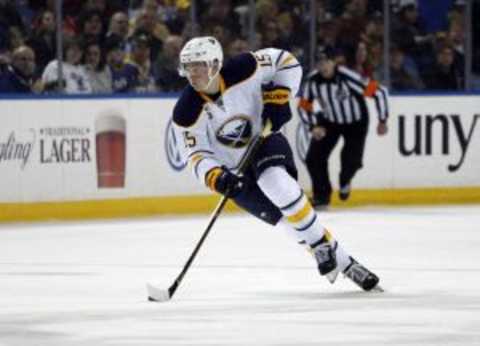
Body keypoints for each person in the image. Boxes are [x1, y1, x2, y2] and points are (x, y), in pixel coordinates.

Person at [171, 36, 381, 292]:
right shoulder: (185, 111)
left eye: (198, 65)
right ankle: (346, 262)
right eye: (188, 67)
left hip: (265, 141)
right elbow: (196, 155)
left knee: (275, 183)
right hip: (234, 171)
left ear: (215, 63)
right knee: (285, 222)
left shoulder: (243, 67)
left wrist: (280, 97)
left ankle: (320, 246)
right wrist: (218, 177)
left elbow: (286, 62)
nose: (192, 73)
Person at [298, 46, 389, 209]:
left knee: (350, 161)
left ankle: (345, 180)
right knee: (314, 158)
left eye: (326, 61)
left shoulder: (348, 77)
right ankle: (321, 196)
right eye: (319, 63)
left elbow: (379, 92)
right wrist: (313, 127)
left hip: (356, 122)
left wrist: (382, 120)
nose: (323, 66)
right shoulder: (313, 81)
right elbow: (304, 105)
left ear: (334, 62)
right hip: (330, 122)